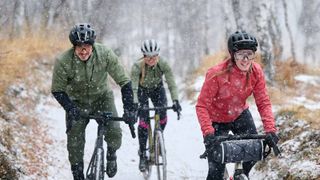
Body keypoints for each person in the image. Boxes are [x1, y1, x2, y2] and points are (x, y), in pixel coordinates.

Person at [51, 23, 137, 180]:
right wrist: (70, 108)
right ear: (74, 47)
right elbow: (57, 90)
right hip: (77, 102)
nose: (83, 51)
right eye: (79, 47)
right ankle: (78, 175)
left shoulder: (104, 53)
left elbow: (124, 82)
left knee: (114, 131)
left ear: (92, 45)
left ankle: (111, 154)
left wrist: (129, 109)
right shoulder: (63, 61)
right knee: (74, 143)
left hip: (102, 98)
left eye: (87, 46)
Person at [196, 30, 279, 180]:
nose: (246, 59)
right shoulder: (216, 74)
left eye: (250, 54)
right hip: (216, 120)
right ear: (233, 55)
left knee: (255, 151)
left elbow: (263, 102)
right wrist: (208, 132)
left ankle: (239, 175)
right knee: (215, 171)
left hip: (239, 114)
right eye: (241, 54)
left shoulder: (256, 72)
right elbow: (202, 106)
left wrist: (270, 129)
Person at [131, 39, 182, 171]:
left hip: (157, 89)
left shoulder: (163, 63)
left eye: (154, 57)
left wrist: (175, 100)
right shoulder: (137, 66)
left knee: (163, 113)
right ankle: (142, 153)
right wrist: (135, 103)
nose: (152, 60)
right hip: (142, 90)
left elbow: (171, 83)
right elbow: (134, 88)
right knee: (143, 122)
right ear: (144, 56)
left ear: (158, 55)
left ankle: (158, 136)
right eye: (148, 57)